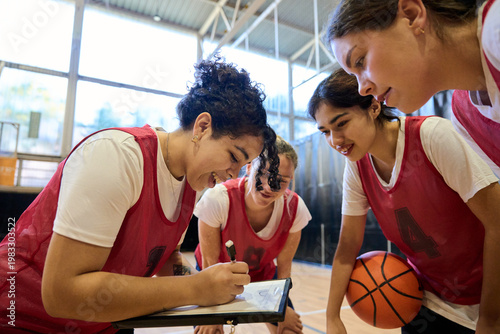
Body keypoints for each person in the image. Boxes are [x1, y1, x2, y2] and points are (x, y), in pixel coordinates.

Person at [0, 56, 281, 333]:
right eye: (233, 156)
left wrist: (213, 287)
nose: (234, 174)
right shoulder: (117, 155)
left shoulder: (191, 185)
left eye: (243, 167)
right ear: (202, 127)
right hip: (20, 318)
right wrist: (195, 288)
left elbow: (166, 258)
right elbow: (62, 294)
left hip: (104, 323)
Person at [307, 68, 500, 334]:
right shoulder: (356, 166)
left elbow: (497, 222)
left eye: (341, 124)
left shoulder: (432, 136)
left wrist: (490, 320)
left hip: (489, 297)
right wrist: (332, 318)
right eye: (325, 131)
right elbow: (347, 247)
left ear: (374, 106)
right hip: (430, 298)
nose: (335, 140)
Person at [325, 0, 500, 177]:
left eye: (360, 61)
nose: (362, 89)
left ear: (411, 15)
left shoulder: (495, 27)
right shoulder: (463, 115)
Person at [193, 136, 311, 334]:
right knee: (209, 331)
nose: (268, 186)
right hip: (215, 274)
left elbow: (284, 268)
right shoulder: (218, 198)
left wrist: (284, 309)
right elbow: (209, 262)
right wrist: (210, 312)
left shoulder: (294, 208)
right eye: (263, 175)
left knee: (289, 330)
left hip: (262, 276)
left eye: (280, 181)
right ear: (248, 169)